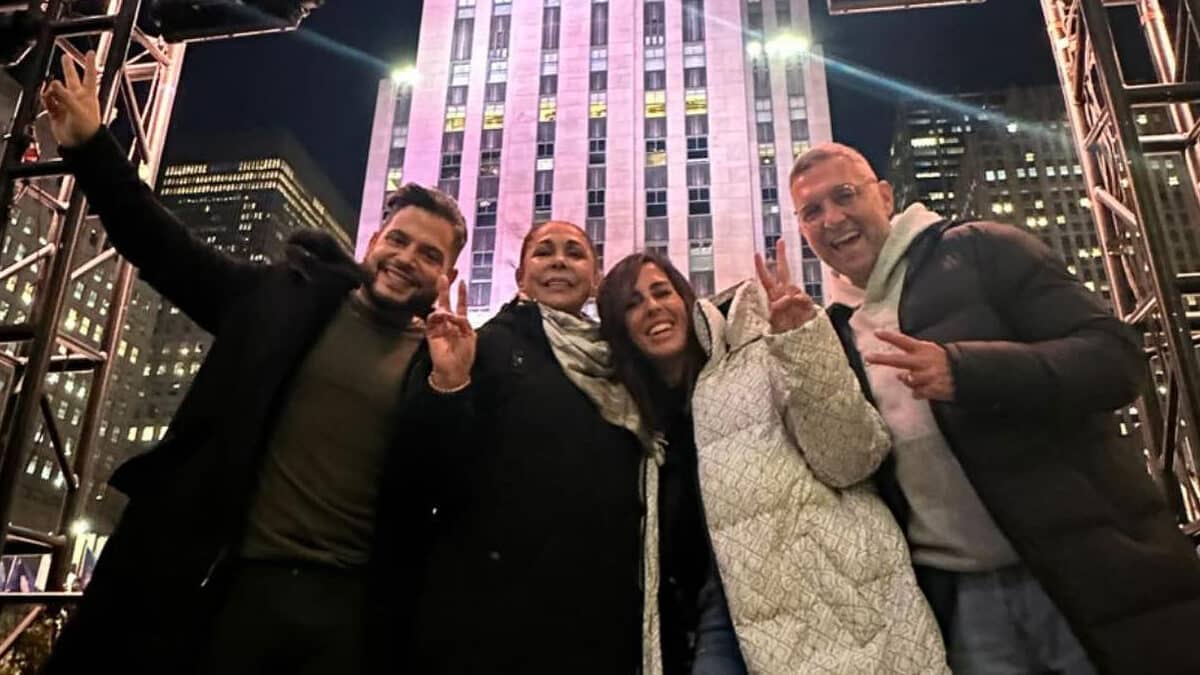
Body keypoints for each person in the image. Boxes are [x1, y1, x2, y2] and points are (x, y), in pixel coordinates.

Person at [39, 52, 472, 674]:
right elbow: (163, 247)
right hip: (232, 585)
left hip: (350, 610)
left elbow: (448, 487)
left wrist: (452, 386)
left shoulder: (439, 364)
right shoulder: (279, 300)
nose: (406, 258)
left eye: (428, 254)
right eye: (397, 240)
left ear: (447, 275)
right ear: (373, 242)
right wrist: (91, 148)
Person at [789, 141, 1200, 675]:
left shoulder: (984, 250)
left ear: (885, 196)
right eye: (812, 211)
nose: (833, 219)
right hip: (963, 606)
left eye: (845, 195)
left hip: (1085, 572)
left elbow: (1116, 361)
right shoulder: (834, 333)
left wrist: (965, 370)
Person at [596, 248, 949, 674]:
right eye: (632, 304)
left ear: (685, 300)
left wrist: (802, 344)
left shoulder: (760, 353)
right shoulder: (636, 419)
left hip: (822, 599)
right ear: (619, 326)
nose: (652, 308)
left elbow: (852, 460)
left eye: (661, 292)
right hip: (716, 612)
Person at [407, 220, 717, 674]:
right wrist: (449, 385)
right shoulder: (484, 345)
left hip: (599, 619)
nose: (558, 261)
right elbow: (430, 473)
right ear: (521, 275)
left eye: (574, 253)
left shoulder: (623, 367)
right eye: (544, 252)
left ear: (594, 279)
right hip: (492, 615)